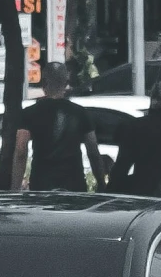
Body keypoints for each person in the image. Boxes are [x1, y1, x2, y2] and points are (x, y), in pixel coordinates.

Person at [11, 61, 105, 192]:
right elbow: (93, 151)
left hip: (41, 185)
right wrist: (101, 182)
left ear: (43, 83)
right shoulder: (80, 113)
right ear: (66, 83)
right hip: (74, 184)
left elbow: (21, 151)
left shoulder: (29, 113)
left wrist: (15, 188)